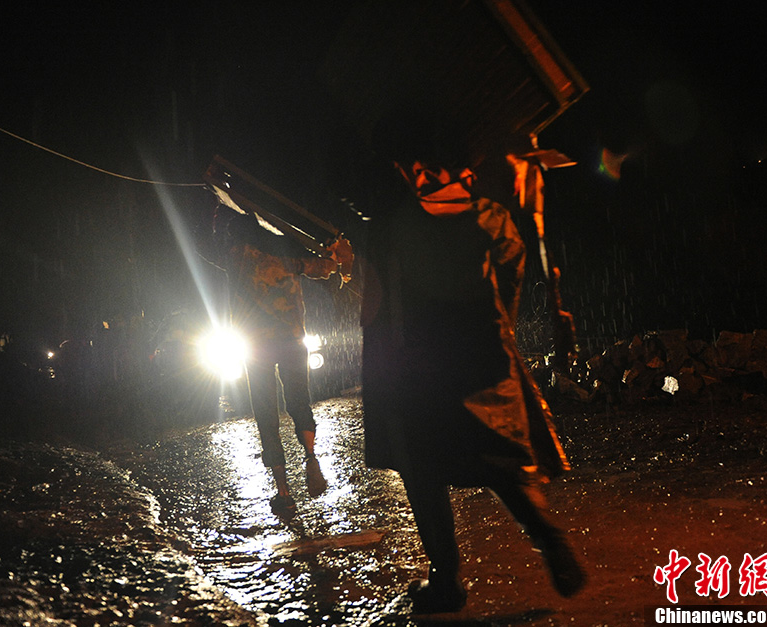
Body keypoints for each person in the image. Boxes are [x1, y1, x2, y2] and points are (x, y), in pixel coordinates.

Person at [357, 120, 586, 613]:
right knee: (501, 459)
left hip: (417, 364)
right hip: (484, 355)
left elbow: (376, 307)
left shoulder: (394, 226)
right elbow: (511, 289)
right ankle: (552, 543)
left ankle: (447, 582)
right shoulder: (491, 217)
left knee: (424, 471)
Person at [199, 207, 339, 517]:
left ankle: (284, 492)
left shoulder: (235, 258)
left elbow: (204, 251)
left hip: (256, 344)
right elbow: (324, 267)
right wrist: (332, 256)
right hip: (291, 339)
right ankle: (312, 459)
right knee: (299, 403)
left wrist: (215, 215)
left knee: (266, 415)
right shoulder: (286, 255)